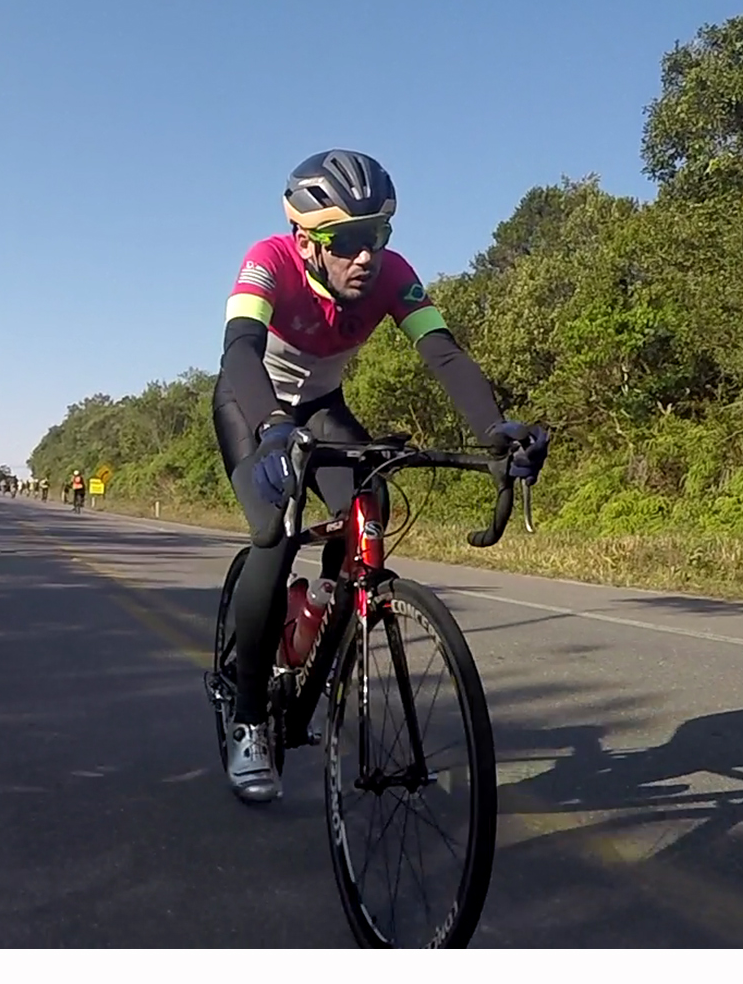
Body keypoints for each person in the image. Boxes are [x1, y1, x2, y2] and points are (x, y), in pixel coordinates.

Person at [213, 149, 549, 804]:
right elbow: (239, 352)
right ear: (306, 241)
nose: (365, 255)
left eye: (377, 234)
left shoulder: (393, 274)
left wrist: (495, 429)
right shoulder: (268, 260)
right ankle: (249, 717)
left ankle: (320, 612)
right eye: (346, 240)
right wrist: (270, 426)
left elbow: (443, 353)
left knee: (371, 505)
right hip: (252, 406)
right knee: (274, 531)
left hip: (322, 406)